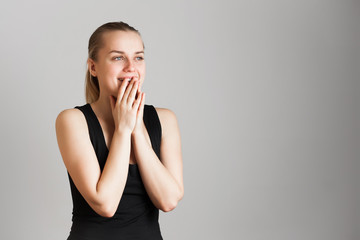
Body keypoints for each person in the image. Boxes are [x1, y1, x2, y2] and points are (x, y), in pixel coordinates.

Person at [55, 21, 184, 240]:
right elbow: (105, 204)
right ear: (93, 67)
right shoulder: (72, 120)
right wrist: (123, 130)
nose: (131, 67)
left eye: (138, 57)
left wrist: (136, 128)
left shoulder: (165, 119)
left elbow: (168, 200)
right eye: (118, 57)